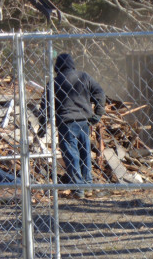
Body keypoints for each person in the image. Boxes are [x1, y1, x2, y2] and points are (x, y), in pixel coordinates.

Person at [38, 53, 106, 199]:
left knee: (71, 156)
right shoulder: (84, 77)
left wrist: (43, 125)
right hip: (84, 123)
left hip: (66, 124)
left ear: (57, 66)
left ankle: (78, 189)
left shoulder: (54, 82)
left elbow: (45, 105)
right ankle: (87, 185)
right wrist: (97, 114)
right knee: (84, 153)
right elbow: (99, 92)